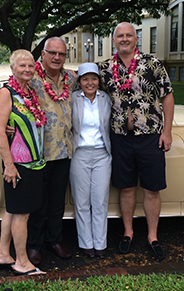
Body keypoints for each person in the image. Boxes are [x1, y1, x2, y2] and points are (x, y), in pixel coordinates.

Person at [97, 22, 174, 261]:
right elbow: (82, 86)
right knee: (126, 187)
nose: (124, 39)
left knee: (152, 189)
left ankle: (152, 236)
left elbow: (167, 96)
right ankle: (128, 232)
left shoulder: (152, 63)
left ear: (136, 39)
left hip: (150, 137)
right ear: (113, 40)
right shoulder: (105, 69)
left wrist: (167, 132)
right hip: (120, 138)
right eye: (120, 35)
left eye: (129, 35)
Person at [0, 49, 46, 276]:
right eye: (22, 66)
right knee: (22, 214)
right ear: (12, 68)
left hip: (34, 163)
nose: (27, 69)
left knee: (13, 211)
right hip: (19, 164)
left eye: (31, 66)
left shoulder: (28, 93)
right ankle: (22, 262)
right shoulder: (7, 93)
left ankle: (3, 254)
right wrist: (9, 165)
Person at [27, 37, 77, 265]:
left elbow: (93, 85)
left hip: (64, 151)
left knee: (57, 201)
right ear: (43, 54)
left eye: (62, 54)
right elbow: (10, 95)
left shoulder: (71, 78)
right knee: (38, 202)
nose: (57, 57)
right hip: (39, 152)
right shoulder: (30, 77)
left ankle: (54, 240)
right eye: (52, 53)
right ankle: (34, 245)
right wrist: (4, 122)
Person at [69, 62, 112, 259]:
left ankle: (100, 243)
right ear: (80, 81)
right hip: (80, 154)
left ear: (98, 80)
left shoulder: (106, 99)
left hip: (102, 154)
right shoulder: (73, 99)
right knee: (82, 201)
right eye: (85, 78)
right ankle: (86, 243)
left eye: (93, 78)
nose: (90, 82)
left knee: (100, 200)